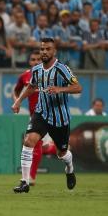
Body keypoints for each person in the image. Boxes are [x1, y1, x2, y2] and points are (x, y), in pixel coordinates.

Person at [12, 37, 82, 193]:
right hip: (41, 112)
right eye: (42, 49)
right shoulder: (36, 70)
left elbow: (78, 87)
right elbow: (31, 87)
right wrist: (18, 102)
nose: (44, 51)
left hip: (60, 118)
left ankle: (69, 169)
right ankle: (25, 181)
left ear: (54, 51)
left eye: (47, 49)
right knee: (29, 141)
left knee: (61, 153)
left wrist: (60, 89)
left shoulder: (62, 69)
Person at [13, 50, 57, 186]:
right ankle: (30, 178)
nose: (36, 62)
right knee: (34, 145)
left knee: (42, 148)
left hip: (50, 115)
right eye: (33, 59)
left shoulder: (50, 74)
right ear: (29, 61)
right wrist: (17, 101)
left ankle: (61, 149)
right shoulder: (24, 76)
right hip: (34, 116)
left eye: (38, 59)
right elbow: (16, 90)